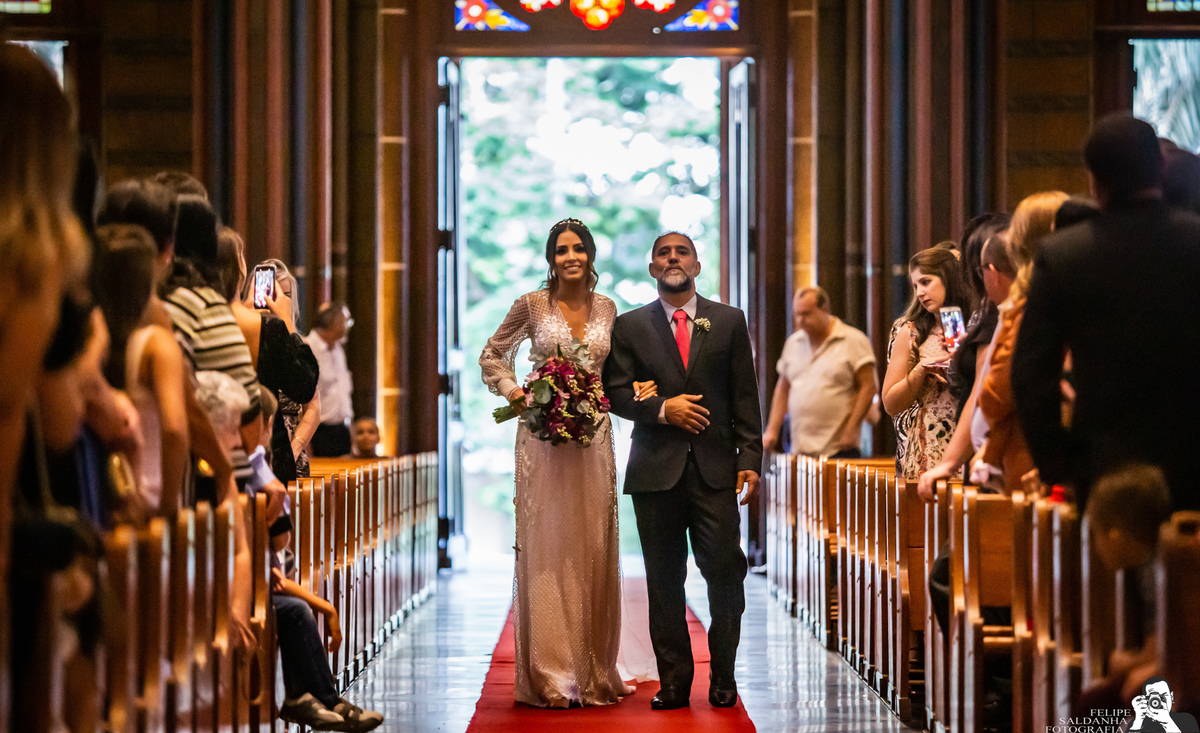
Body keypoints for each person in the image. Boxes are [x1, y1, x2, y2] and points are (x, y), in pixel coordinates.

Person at [480, 218, 642, 708]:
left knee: (592, 542)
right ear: (551, 259)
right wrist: (517, 393)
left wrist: (638, 388)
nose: (570, 257)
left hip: (594, 438)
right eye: (561, 250)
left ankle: (593, 667)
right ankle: (551, 672)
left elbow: (616, 373)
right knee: (548, 543)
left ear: (590, 255)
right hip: (542, 438)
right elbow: (492, 355)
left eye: (578, 249)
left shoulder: (608, 308)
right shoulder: (531, 305)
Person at [603, 231, 762, 710]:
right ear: (653, 268)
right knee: (663, 579)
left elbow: (745, 396)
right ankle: (674, 681)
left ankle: (724, 674)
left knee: (726, 572)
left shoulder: (728, 321)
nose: (673, 258)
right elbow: (615, 393)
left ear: (696, 265)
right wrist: (661, 409)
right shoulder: (629, 326)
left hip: (715, 469)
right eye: (663, 253)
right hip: (656, 471)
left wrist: (750, 460)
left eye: (682, 252)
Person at [1012, 113, 1200, 511]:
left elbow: (1030, 373)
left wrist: (1059, 463)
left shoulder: (1064, 255)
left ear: (1094, 179)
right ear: (1159, 168)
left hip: (1103, 466)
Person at [193, 370, 382, 731]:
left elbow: (271, 566)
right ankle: (319, 700)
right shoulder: (233, 473)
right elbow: (274, 550)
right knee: (294, 610)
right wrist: (322, 604)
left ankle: (310, 699)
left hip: (252, 580)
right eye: (232, 427)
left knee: (294, 607)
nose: (235, 439)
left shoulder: (246, 469)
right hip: (228, 589)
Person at [975, 190, 1068, 494]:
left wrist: (987, 396)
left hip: (1029, 451)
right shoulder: (1075, 289)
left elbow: (1000, 390)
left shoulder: (1030, 302)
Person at [92, 223, 189, 516]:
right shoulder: (156, 344)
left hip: (109, 501)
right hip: (150, 500)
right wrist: (169, 507)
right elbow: (175, 430)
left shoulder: (93, 343)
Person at [881, 247, 970, 480]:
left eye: (926, 282)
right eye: (915, 286)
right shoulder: (911, 332)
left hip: (968, 440)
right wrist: (920, 371)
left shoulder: (974, 324)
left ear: (948, 279)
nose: (920, 293)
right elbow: (890, 403)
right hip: (928, 447)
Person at [762, 287, 876, 458]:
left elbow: (868, 386)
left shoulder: (853, 340)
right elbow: (783, 388)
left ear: (824, 309)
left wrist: (852, 428)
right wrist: (772, 429)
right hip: (800, 450)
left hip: (838, 448)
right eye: (797, 314)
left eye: (806, 314)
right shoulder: (793, 343)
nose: (800, 320)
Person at [306, 302, 355, 457]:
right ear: (335, 322)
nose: (348, 326)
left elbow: (343, 391)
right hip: (318, 432)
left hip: (341, 430)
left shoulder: (338, 349)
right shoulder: (308, 347)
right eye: (346, 321)